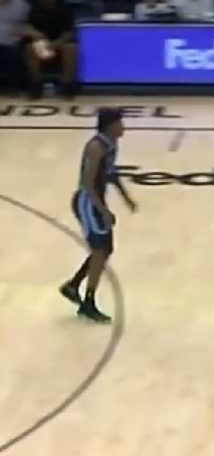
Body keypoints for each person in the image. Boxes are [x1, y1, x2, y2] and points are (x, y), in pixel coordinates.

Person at [59, 108, 136, 324]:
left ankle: (74, 285)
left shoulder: (111, 144)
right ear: (110, 125)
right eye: (120, 123)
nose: (123, 127)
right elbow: (88, 183)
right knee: (100, 250)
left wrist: (126, 198)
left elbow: (111, 173)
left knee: (105, 250)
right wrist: (103, 211)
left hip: (96, 202)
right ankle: (88, 301)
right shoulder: (96, 147)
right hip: (87, 203)